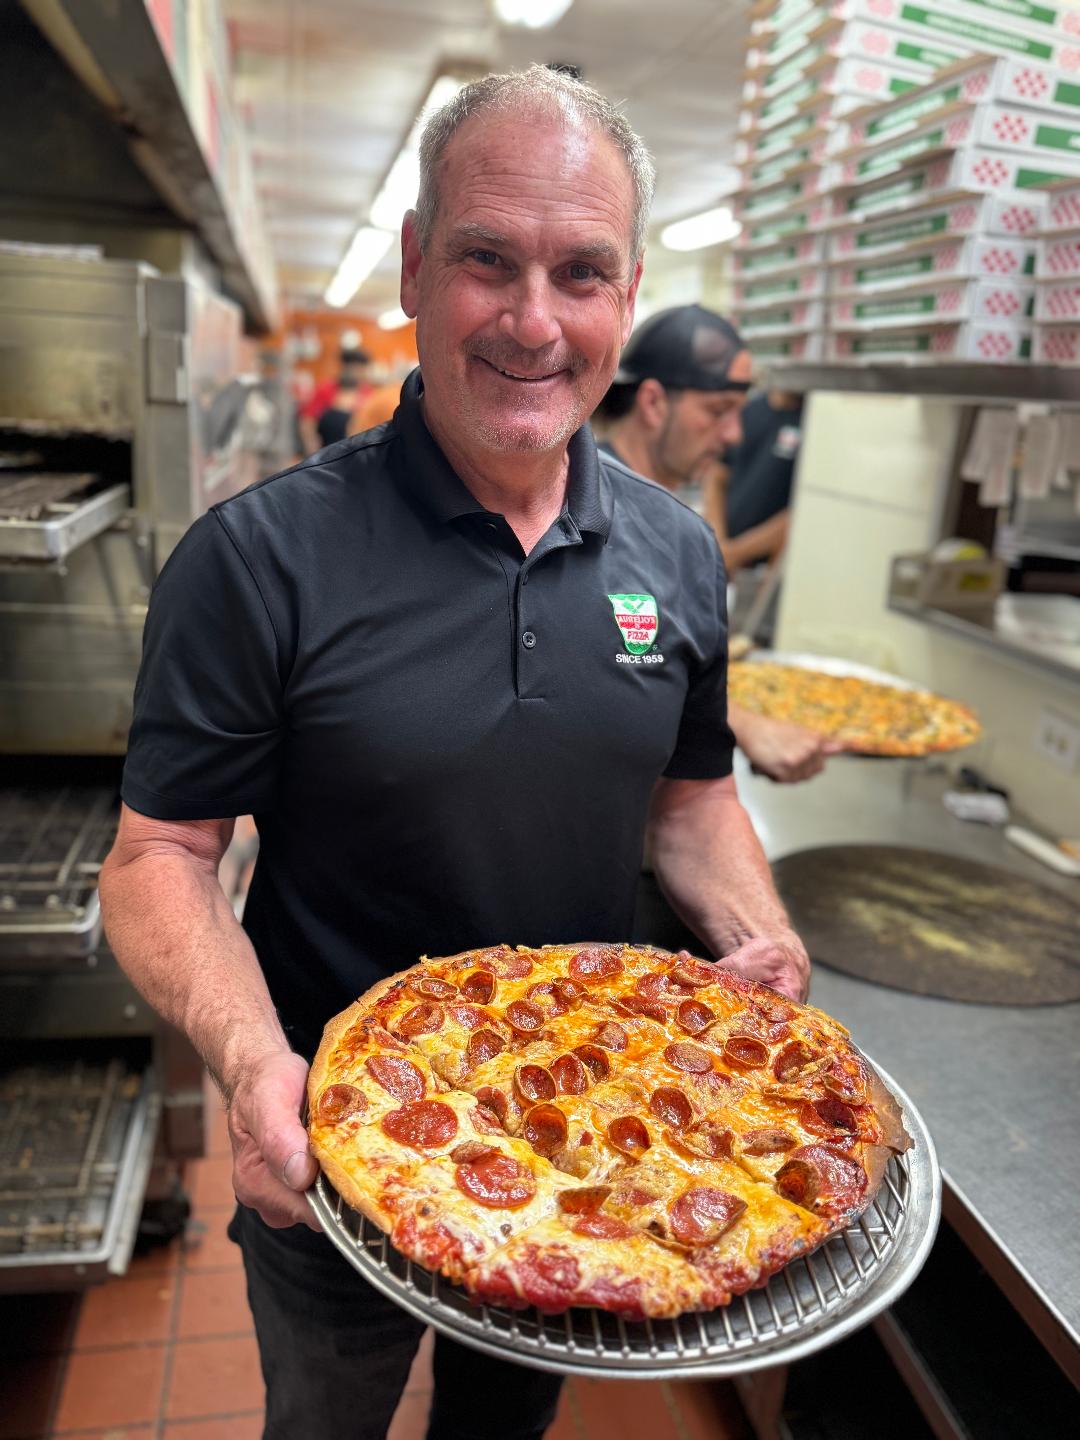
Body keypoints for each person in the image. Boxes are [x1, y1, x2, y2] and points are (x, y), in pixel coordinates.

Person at [99, 66, 811, 1440]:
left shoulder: (676, 551)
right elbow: (158, 858)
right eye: (490, 260)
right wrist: (253, 1065)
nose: (536, 322)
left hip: (594, 1141)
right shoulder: (259, 559)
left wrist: (755, 931)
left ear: (627, 289)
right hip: (333, 1143)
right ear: (418, 266)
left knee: (505, 1428)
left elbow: (691, 801)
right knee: (324, 1420)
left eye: (583, 273)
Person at [594, 305, 835, 785]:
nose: (734, 434)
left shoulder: (673, 524)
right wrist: (742, 722)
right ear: (653, 402)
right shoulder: (588, 505)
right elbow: (591, 669)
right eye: (718, 411)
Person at [714, 387, 804, 576]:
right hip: (720, 557)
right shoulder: (751, 409)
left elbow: (805, 511)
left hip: (764, 569)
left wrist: (734, 553)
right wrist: (716, 541)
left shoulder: (813, 420)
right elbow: (716, 476)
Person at [299, 346, 372, 452]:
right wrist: (312, 450)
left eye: (359, 370)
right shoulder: (326, 390)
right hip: (326, 451)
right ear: (343, 368)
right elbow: (307, 421)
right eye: (351, 368)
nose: (355, 373)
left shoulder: (368, 393)